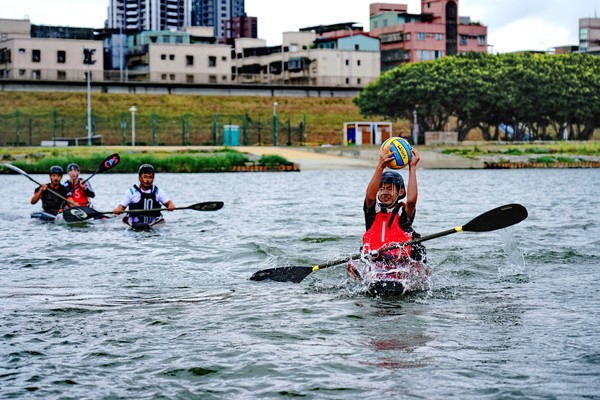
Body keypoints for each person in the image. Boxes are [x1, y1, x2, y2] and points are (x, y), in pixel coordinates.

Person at [360, 146, 426, 263]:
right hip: (375, 265)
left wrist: (412, 167)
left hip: (400, 264)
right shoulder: (373, 211)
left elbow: (411, 201)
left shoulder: (403, 212)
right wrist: (380, 166)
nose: (385, 192)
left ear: (401, 192)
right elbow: (370, 197)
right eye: (381, 188)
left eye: (389, 188)